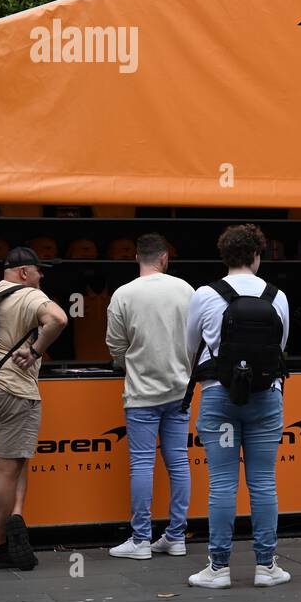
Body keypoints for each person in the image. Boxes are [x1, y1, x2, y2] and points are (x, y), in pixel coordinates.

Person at [184, 224, 291, 589]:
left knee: (222, 484)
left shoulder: (204, 294)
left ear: (225, 256)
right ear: (257, 255)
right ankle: (266, 566)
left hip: (220, 397)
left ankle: (217, 568)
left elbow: (190, 347)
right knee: (263, 482)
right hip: (265, 398)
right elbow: (280, 347)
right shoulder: (278, 296)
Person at [0, 247, 69, 571]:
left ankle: (16, 518)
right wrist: (37, 351)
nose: (42, 276)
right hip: (13, 389)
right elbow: (58, 318)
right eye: (39, 270)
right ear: (24, 273)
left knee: (12, 460)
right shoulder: (27, 295)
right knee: (6, 468)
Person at [105, 233, 197, 559]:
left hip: (142, 392)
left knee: (142, 465)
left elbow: (115, 346)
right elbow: (198, 338)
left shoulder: (123, 294)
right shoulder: (186, 290)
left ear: (136, 258)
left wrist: (131, 359)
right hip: (179, 390)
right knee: (179, 462)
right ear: (165, 258)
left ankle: (141, 540)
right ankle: (176, 536)